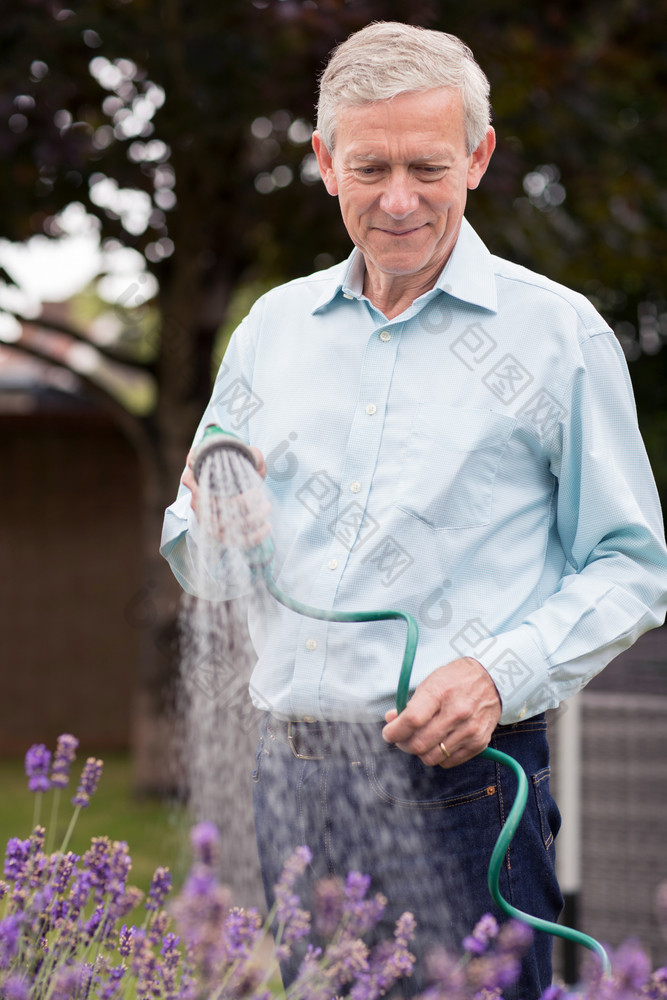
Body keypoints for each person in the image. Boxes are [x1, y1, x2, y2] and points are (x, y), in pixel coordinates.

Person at [161, 21, 667, 998]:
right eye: (371, 167)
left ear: (477, 157)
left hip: (465, 788)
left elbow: (631, 564)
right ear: (324, 162)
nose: (398, 200)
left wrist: (498, 672)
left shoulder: (557, 336)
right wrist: (212, 530)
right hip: (292, 780)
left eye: (428, 167)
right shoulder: (273, 330)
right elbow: (193, 536)